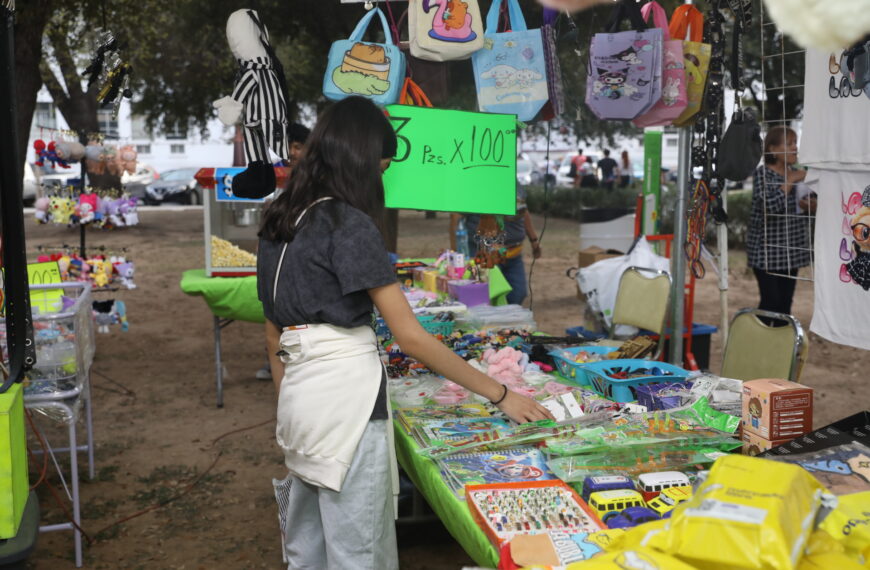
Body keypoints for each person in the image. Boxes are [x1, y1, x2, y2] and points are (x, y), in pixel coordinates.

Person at [257, 96, 552, 570]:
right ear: (360, 161)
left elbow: (273, 338)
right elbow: (410, 337)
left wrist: (290, 404)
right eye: (381, 166)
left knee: (307, 548)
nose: (381, 178)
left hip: (298, 402)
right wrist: (500, 393)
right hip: (346, 407)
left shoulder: (279, 218)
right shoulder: (348, 225)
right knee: (360, 552)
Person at [256, 122, 312, 381]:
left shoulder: (327, 206)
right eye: (287, 147)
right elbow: (271, 332)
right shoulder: (280, 204)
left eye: (298, 146)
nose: (291, 153)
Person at [746, 126, 812, 319]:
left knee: (785, 304)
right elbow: (770, 207)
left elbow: (805, 204)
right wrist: (789, 181)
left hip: (791, 251)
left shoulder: (797, 173)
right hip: (767, 253)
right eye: (789, 143)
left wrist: (811, 205)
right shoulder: (763, 174)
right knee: (771, 303)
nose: (794, 148)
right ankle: (761, 343)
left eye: (795, 143)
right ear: (773, 150)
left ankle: (781, 346)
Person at [497, 185, 542, 305]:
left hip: (514, 253)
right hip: (491, 255)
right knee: (493, 296)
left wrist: (533, 240)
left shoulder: (515, 185)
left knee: (518, 293)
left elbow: (524, 212)